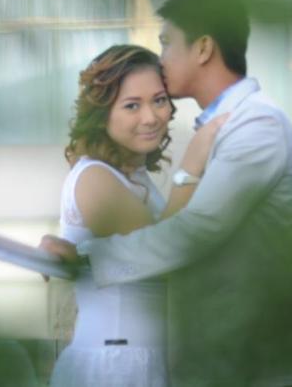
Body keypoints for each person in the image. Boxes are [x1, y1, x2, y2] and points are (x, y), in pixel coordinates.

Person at [41, 0, 292, 387]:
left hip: (259, 368)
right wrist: (189, 166)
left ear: (204, 48)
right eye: (132, 105)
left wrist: (86, 257)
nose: (162, 59)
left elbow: (197, 229)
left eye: (166, 43)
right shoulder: (105, 173)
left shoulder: (255, 124)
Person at [49, 44, 227, 387]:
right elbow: (167, 251)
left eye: (159, 100)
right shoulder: (95, 176)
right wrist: (193, 162)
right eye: (132, 105)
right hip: (116, 367)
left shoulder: (135, 177)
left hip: (140, 359)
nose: (151, 117)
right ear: (102, 114)